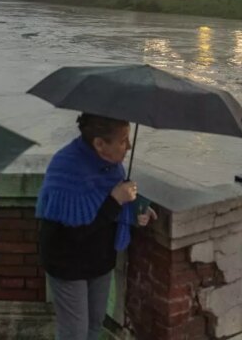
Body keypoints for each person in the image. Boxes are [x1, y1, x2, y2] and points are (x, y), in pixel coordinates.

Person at [35, 113, 157, 340]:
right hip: (67, 263)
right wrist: (115, 201)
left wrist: (137, 208)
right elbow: (75, 231)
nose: (128, 146)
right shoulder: (66, 168)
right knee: (75, 332)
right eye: (122, 141)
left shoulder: (112, 167)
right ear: (99, 144)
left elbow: (114, 196)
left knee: (94, 325)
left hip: (99, 259)